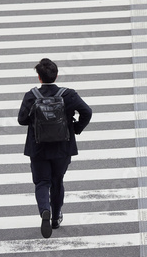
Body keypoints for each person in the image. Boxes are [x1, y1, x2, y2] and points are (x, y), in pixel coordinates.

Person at [18, 58, 92, 238]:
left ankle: (45, 210)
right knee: (57, 181)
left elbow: (21, 120)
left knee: (42, 182)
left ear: (39, 77)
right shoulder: (68, 94)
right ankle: (56, 217)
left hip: (38, 147)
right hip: (62, 147)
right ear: (56, 75)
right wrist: (75, 128)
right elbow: (87, 112)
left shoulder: (32, 95)